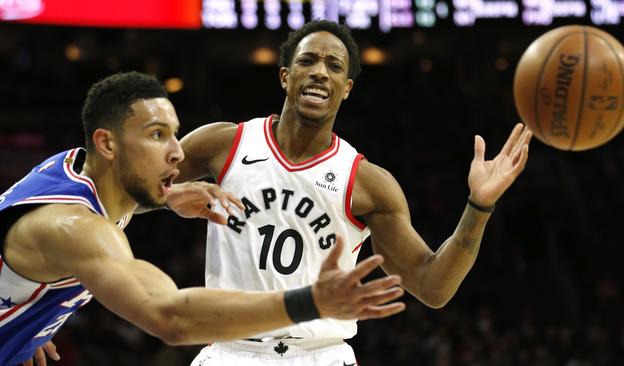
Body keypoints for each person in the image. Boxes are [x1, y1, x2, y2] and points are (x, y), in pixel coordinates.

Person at [175, 20, 532, 365]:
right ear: (286, 76)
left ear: (346, 88)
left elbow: (432, 286)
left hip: (321, 353)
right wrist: (164, 198)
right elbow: (132, 194)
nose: (319, 72)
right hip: (231, 351)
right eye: (307, 60)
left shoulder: (366, 183)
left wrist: (479, 205)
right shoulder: (223, 144)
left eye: (334, 65)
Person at [0, 72, 407, 366]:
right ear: (107, 143)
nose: (178, 152)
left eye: (175, 134)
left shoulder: (71, 167)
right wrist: (312, 301)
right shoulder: (76, 228)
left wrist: (26, 321)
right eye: (158, 135)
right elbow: (171, 318)